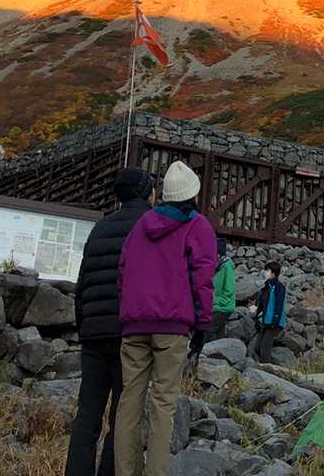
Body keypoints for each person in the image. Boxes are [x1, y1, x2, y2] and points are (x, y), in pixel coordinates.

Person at [114, 160, 216, 476]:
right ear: (193, 193)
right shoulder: (198, 226)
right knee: (163, 405)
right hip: (173, 326)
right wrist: (203, 323)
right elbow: (203, 278)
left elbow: (123, 272)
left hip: (134, 325)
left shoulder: (142, 225)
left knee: (129, 402)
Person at [65, 167, 153, 476]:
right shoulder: (150, 225)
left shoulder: (100, 228)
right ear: (146, 192)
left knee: (87, 414)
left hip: (93, 332)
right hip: (129, 333)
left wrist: (84, 327)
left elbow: (82, 284)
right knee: (122, 416)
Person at [250, 260, 288, 363]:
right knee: (257, 347)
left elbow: (279, 305)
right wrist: (256, 316)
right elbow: (261, 305)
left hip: (274, 322)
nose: (265, 272)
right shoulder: (265, 287)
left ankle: (266, 369)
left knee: (264, 349)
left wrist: (275, 319)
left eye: (267, 270)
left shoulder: (279, 287)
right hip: (265, 321)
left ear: (274, 273)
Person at [209, 237, 236, 340]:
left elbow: (229, 289)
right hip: (219, 306)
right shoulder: (218, 266)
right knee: (218, 333)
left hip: (223, 307)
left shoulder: (227, 266)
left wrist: (217, 302)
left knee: (209, 329)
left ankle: (210, 349)